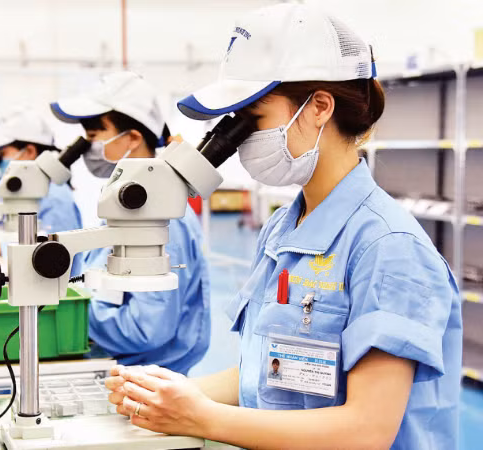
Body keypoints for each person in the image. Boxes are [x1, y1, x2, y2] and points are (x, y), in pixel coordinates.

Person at [104, 4, 461, 449]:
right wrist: (169, 395)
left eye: (253, 120)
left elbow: (367, 430)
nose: (243, 141)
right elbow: (270, 372)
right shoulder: (282, 230)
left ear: (319, 107)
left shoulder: (387, 247)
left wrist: (203, 418)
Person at [50, 71, 211, 375]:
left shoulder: (162, 220)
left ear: (133, 138)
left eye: (94, 136)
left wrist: (68, 310)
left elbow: (146, 329)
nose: (88, 148)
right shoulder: (126, 208)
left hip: (145, 380)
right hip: (115, 371)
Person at [0, 108, 83, 257]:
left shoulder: (55, 196)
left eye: (2, 154)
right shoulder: (10, 185)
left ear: (29, 151)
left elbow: (57, 253)